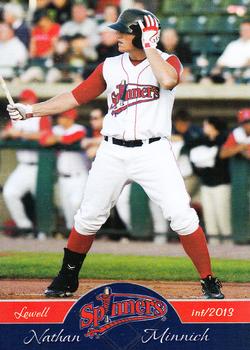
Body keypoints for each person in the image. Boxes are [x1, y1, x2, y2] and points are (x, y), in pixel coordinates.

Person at [7, 9, 224, 299]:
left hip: (153, 151)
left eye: (124, 31)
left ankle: (208, 279)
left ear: (144, 34)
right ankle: (67, 276)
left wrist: (149, 46)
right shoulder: (110, 65)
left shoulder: (167, 61)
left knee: (182, 216)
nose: (117, 36)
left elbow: (169, 81)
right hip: (112, 150)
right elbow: (75, 96)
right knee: (88, 217)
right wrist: (30, 110)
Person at [2, 89, 51, 235]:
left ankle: (44, 232)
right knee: (10, 192)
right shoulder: (15, 118)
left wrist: (22, 134)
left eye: (28, 100)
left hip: (41, 166)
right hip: (23, 166)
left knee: (42, 201)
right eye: (23, 99)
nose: (25, 102)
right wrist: (8, 133)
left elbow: (46, 135)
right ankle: (25, 227)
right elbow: (5, 133)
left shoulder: (41, 116)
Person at [41, 109, 88, 230]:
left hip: (79, 176)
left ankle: (83, 233)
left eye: (63, 117)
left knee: (76, 203)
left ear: (70, 118)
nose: (60, 119)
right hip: (63, 177)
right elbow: (44, 140)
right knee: (66, 210)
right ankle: (71, 237)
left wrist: (56, 139)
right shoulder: (57, 129)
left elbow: (72, 138)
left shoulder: (79, 128)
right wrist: (59, 138)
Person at [189, 117, 231, 245]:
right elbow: (194, 156)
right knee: (210, 219)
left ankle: (230, 248)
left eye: (206, 125)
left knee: (223, 218)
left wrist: (207, 156)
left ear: (214, 126)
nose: (204, 127)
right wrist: (208, 155)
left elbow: (216, 156)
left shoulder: (224, 140)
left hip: (221, 185)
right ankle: (214, 248)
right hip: (206, 184)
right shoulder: (202, 141)